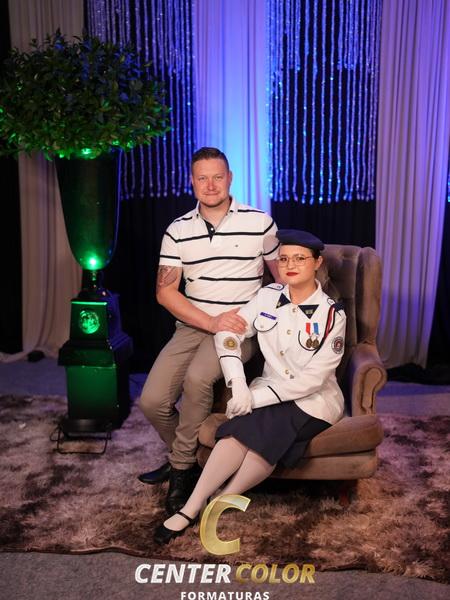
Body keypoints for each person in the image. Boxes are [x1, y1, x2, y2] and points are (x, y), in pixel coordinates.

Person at [153, 229, 346, 544]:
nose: (290, 265)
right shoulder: (267, 296)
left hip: (313, 401)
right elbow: (228, 335)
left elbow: (313, 380)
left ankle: (219, 502)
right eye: (284, 259)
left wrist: (253, 398)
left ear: (317, 263)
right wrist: (238, 384)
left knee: (266, 428)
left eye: (300, 258)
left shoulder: (331, 315)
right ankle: (192, 507)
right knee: (237, 430)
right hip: (266, 389)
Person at [139, 147, 279, 515]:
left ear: (230, 178)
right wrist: (209, 321)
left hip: (238, 329)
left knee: (198, 378)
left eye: (218, 177)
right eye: (202, 178)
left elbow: (283, 280)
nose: (210, 185)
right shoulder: (178, 230)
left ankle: (181, 472)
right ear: (192, 181)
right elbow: (165, 292)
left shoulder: (260, 223)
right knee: (151, 401)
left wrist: (266, 322)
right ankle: (187, 457)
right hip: (193, 326)